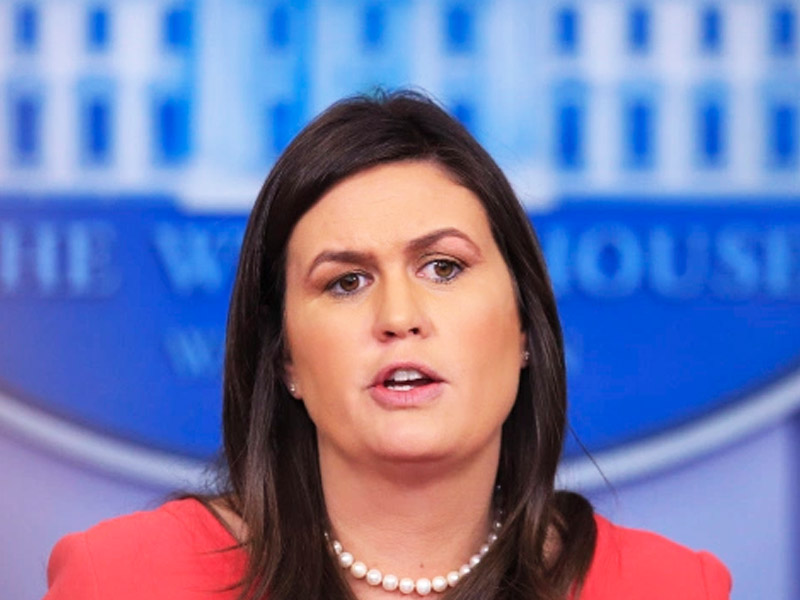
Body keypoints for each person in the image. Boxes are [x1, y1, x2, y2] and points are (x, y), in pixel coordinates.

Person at [44, 91, 731, 600]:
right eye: (345, 282)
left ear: (525, 328)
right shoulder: (122, 579)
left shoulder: (671, 587)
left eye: (444, 268)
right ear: (285, 358)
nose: (399, 317)